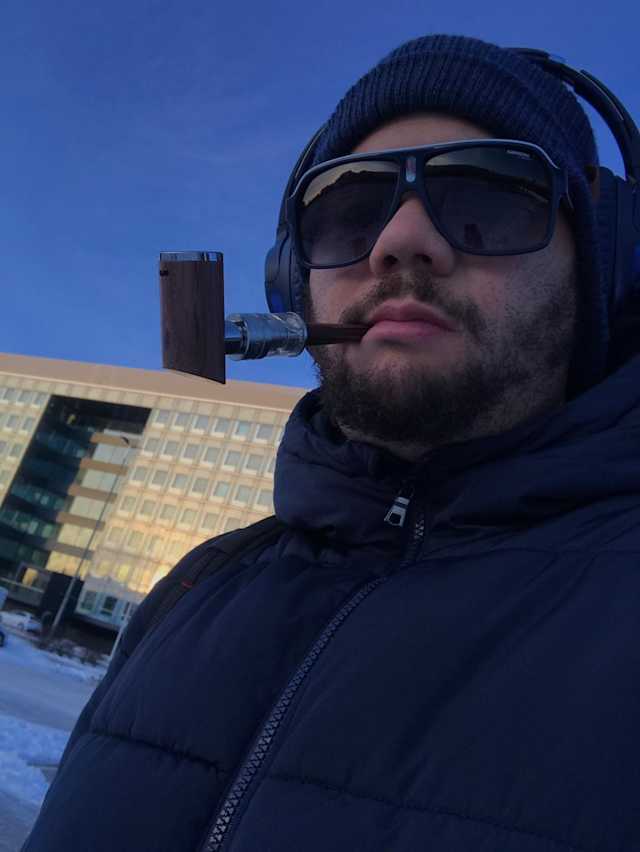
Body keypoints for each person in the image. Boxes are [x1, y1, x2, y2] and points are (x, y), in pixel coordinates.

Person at [23, 34, 640, 852]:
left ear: (602, 269)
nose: (401, 240)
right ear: (294, 278)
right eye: (351, 209)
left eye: (487, 198)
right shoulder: (194, 591)